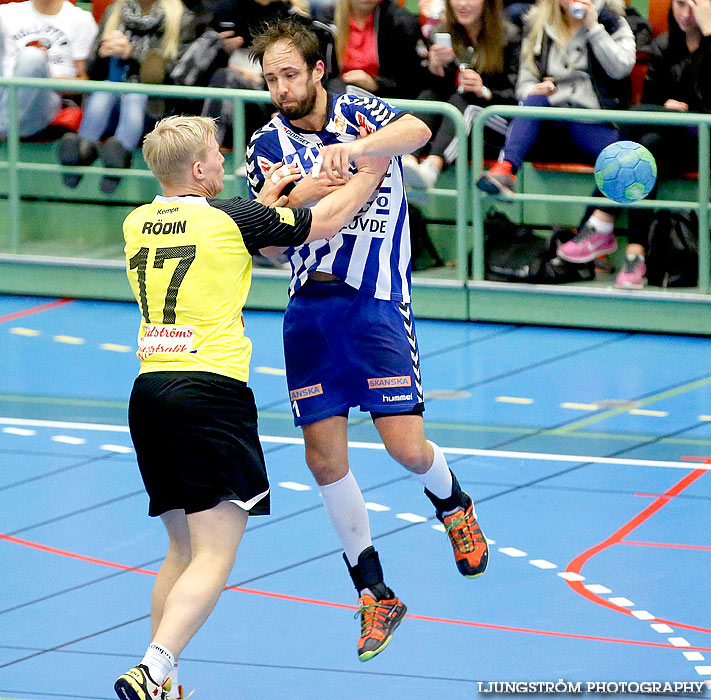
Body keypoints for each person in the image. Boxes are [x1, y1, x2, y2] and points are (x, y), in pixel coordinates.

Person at [114, 114, 389, 700]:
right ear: (197, 169)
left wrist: (268, 200)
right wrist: (373, 171)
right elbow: (326, 221)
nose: (224, 161)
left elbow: (229, 226)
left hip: (150, 391)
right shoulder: (230, 216)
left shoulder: (136, 222)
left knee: (180, 549)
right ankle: (153, 667)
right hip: (209, 394)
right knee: (216, 552)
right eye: (216, 153)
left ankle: (166, 684)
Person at [246, 19, 489, 663]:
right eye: (270, 79)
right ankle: (374, 592)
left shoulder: (359, 109)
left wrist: (355, 153)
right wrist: (304, 197)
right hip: (310, 311)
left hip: (376, 305)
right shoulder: (267, 143)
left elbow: (421, 130)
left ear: (318, 69)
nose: (279, 89)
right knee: (324, 462)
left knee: (405, 449)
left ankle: (455, 506)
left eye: (289, 75)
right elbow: (270, 239)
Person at [476, 0, 636, 264]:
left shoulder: (612, 20)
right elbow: (524, 85)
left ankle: (588, 234)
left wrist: (593, 27)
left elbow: (621, 68)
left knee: (626, 158)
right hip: (550, 121)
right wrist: (535, 90)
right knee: (533, 103)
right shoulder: (538, 22)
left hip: (592, 121)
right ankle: (505, 171)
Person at [614, 0, 711, 289]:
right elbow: (651, 105)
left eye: (693, 6)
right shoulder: (662, 45)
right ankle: (635, 255)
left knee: (635, 120)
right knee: (645, 147)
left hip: (706, 137)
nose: (684, 13)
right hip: (675, 143)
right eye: (680, 4)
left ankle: (600, 220)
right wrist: (665, 108)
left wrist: (708, 33)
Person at [56, 0, 196, 194]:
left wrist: (132, 55)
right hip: (110, 103)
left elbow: (180, 73)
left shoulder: (182, 16)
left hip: (156, 109)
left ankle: (119, 158)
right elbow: (92, 72)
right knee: (104, 91)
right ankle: (82, 152)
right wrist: (101, 54)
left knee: (134, 96)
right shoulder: (114, 11)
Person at [402, 0, 520, 189]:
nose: (463, 4)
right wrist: (434, 70)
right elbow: (431, 89)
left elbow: (516, 96)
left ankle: (433, 166)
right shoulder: (439, 33)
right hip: (458, 119)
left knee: (467, 103)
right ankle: (408, 159)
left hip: (497, 122)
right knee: (430, 96)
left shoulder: (509, 35)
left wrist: (484, 91)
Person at [0, 0, 97, 139]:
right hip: (4, 88)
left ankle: (4, 126)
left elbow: (85, 83)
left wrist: (43, 75)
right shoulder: (6, 13)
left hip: (42, 97)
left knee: (32, 57)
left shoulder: (81, 20)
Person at [316, 0, 425, 99]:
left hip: (386, 98)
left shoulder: (401, 21)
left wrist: (376, 83)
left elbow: (412, 81)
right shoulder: (324, 20)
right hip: (335, 93)